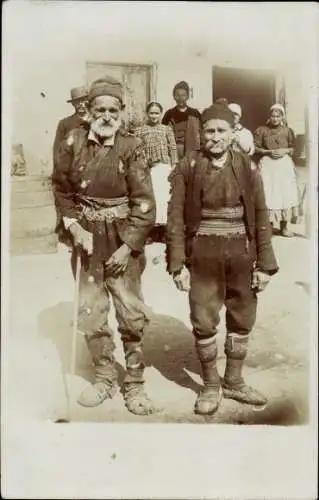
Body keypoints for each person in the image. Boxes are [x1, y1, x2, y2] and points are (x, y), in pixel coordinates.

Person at [52, 77, 157, 415]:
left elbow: (144, 203)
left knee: (129, 310)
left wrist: (128, 247)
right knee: (91, 309)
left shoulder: (132, 146)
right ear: (89, 111)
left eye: (114, 109)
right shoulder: (73, 142)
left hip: (122, 234)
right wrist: (73, 227)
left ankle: (135, 385)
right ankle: (104, 378)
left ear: (122, 112)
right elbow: (62, 189)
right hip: (86, 236)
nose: (107, 115)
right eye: (101, 109)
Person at [166, 102, 279, 416]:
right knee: (204, 318)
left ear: (233, 134)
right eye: (209, 130)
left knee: (242, 316)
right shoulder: (188, 166)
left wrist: (265, 265)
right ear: (201, 133)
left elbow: (261, 215)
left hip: (241, 252)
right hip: (202, 253)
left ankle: (233, 380)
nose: (214, 137)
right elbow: (174, 217)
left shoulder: (247, 166)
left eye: (221, 131)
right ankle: (211, 385)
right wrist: (178, 264)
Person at [135, 102, 178, 250]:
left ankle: (164, 232)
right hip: (149, 169)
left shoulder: (166, 129)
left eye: (157, 113)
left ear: (161, 114)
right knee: (150, 199)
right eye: (151, 113)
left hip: (164, 168)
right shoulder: (140, 131)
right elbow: (138, 150)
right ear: (147, 114)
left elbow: (172, 148)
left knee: (164, 199)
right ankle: (151, 232)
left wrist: (174, 166)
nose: (154, 116)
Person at [254, 104, 299, 237]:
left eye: (278, 116)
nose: (275, 118)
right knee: (269, 194)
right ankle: (270, 227)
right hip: (268, 165)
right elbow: (255, 148)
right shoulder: (262, 130)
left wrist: (284, 150)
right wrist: (268, 151)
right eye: (273, 116)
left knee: (285, 194)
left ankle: (284, 227)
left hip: (284, 166)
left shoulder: (288, 131)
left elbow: (294, 149)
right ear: (269, 116)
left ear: (282, 117)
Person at [162, 81, 201, 160]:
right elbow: (163, 133)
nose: (180, 98)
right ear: (173, 96)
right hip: (175, 151)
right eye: (177, 95)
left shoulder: (195, 113)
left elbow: (202, 132)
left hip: (192, 150)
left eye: (183, 95)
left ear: (187, 97)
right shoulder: (169, 114)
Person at [53, 86, 89, 165]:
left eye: (83, 100)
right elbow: (57, 151)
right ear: (73, 104)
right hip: (72, 169)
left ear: (88, 101)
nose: (80, 104)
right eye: (77, 101)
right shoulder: (64, 123)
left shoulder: (96, 122)